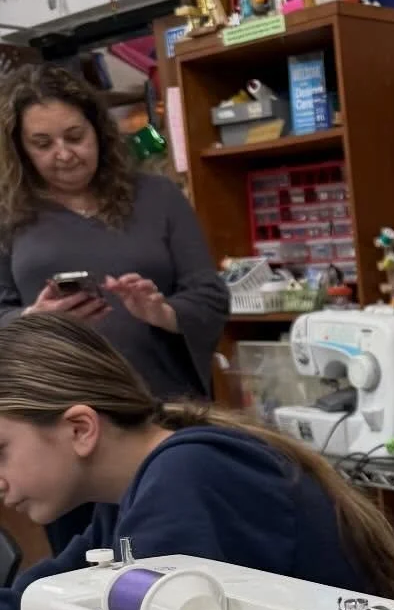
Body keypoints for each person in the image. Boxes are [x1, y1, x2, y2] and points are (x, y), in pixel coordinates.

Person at [0, 314, 394, 610]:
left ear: (80, 429)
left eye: (2, 452)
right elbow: (35, 608)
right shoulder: (133, 492)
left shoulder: (189, 482)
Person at [0, 64, 229, 401]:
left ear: (99, 131)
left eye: (75, 136)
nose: (64, 154)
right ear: (20, 149)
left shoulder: (158, 196)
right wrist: (35, 320)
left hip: (165, 403)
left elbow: (210, 296)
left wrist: (163, 312)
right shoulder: (6, 216)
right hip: (58, 412)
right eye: (42, 144)